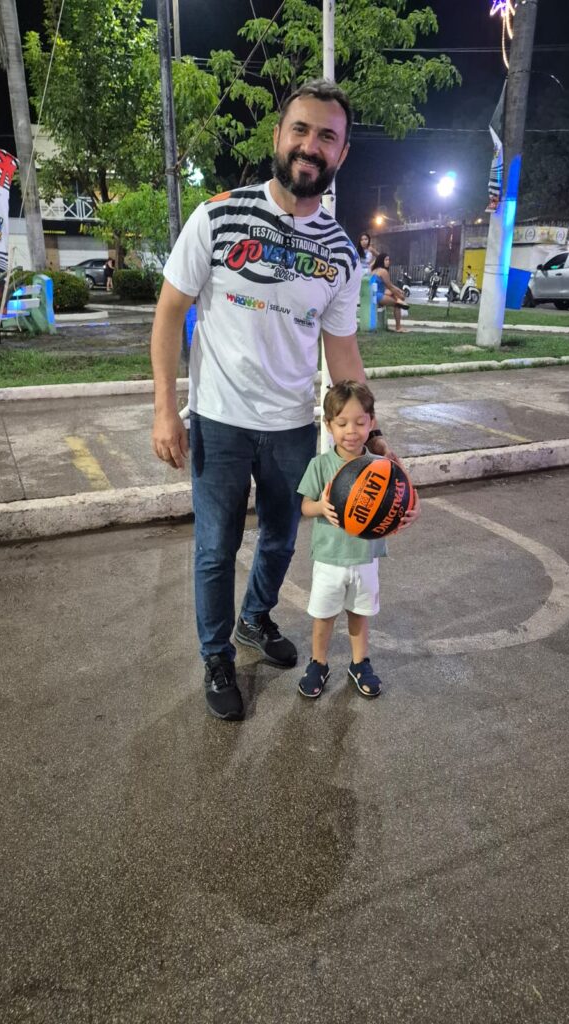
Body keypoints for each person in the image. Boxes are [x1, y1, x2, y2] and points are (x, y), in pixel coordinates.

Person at [150, 78, 413, 722]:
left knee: (279, 539)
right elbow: (169, 313)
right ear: (278, 136)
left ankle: (254, 620)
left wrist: (372, 434)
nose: (310, 145)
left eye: (327, 136)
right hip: (218, 420)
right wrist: (164, 409)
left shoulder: (341, 254)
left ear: (342, 153)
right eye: (301, 129)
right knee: (215, 549)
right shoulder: (218, 216)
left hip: (293, 425)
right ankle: (217, 657)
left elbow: (342, 353)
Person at [297, 381, 417, 700]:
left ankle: (360, 663)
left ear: (371, 422)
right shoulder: (320, 465)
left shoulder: (382, 467)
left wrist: (411, 513)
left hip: (365, 557)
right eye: (342, 423)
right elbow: (305, 506)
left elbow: (405, 499)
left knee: (359, 614)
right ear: (328, 425)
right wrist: (321, 507)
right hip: (329, 558)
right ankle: (318, 663)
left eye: (360, 423)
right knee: (324, 616)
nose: (351, 431)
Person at [371, 252, 409, 332]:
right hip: (377, 295)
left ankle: (399, 299)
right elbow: (390, 287)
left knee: (393, 293)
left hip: (374, 294)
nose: (388, 262)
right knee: (398, 304)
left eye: (388, 260)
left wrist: (398, 290)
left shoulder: (374, 270)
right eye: (386, 260)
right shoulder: (383, 271)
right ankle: (398, 327)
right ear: (381, 260)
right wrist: (400, 296)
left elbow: (390, 285)